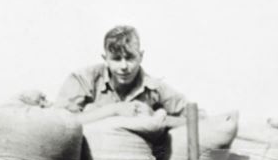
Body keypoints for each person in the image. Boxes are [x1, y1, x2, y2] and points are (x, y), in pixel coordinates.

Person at [55, 24, 189, 127]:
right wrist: (113, 110)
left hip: (139, 159)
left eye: (130, 58)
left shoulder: (155, 88)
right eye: (116, 59)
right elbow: (59, 121)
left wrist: (157, 118)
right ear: (105, 58)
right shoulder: (84, 79)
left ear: (141, 57)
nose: (124, 66)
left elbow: (197, 119)